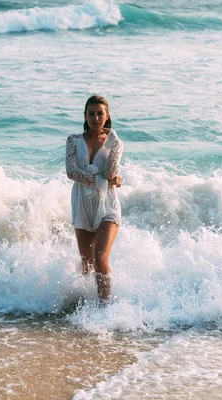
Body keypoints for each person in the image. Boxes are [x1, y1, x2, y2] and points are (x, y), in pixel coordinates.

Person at [65, 95, 123, 303]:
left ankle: (105, 309)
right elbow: (72, 172)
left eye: (100, 113)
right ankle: (86, 306)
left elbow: (110, 173)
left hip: (107, 203)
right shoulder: (73, 141)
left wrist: (114, 142)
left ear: (107, 116)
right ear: (85, 116)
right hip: (82, 203)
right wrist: (104, 179)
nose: (96, 118)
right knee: (87, 264)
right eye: (91, 114)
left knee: (100, 259)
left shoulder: (115, 142)